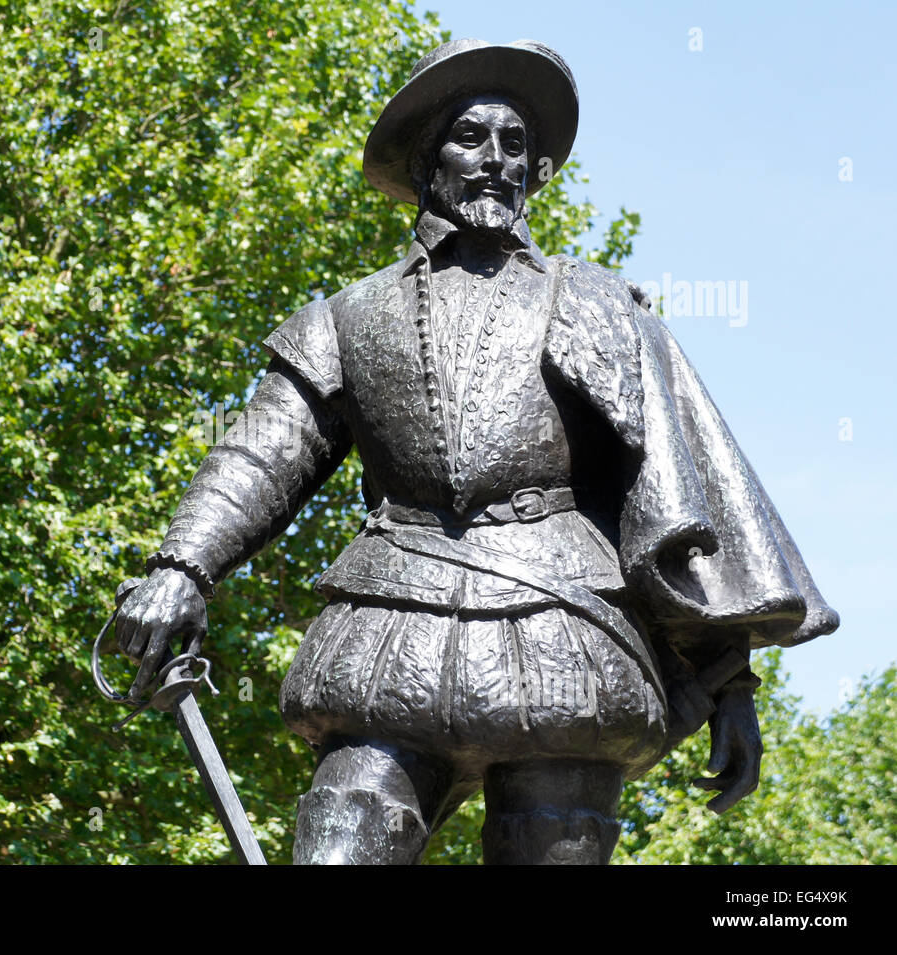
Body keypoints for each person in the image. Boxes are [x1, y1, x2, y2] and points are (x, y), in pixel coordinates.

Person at [114, 38, 838, 864]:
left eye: (516, 144)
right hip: (390, 627)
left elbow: (669, 492)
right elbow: (261, 455)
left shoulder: (598, 304)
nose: (496, 160)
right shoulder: (348, 317)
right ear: (428, 161)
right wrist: (181, 567)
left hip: (565, 630)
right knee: (340, 837)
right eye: (470, 137)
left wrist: (730, 679)